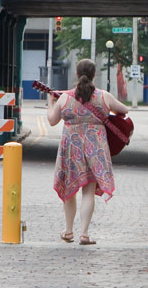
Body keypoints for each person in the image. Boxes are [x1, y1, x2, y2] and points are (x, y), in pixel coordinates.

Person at [47, 59, 128, 245]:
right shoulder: (103, 96)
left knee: (69, 190)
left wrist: (51, 103)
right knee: (88, 192)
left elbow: (52, 120)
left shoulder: (65, 98)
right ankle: (84, 234)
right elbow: (124, 110)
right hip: (95, 148)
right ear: (94, 75)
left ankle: (68, 231)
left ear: (76, 74)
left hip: (71, 148)